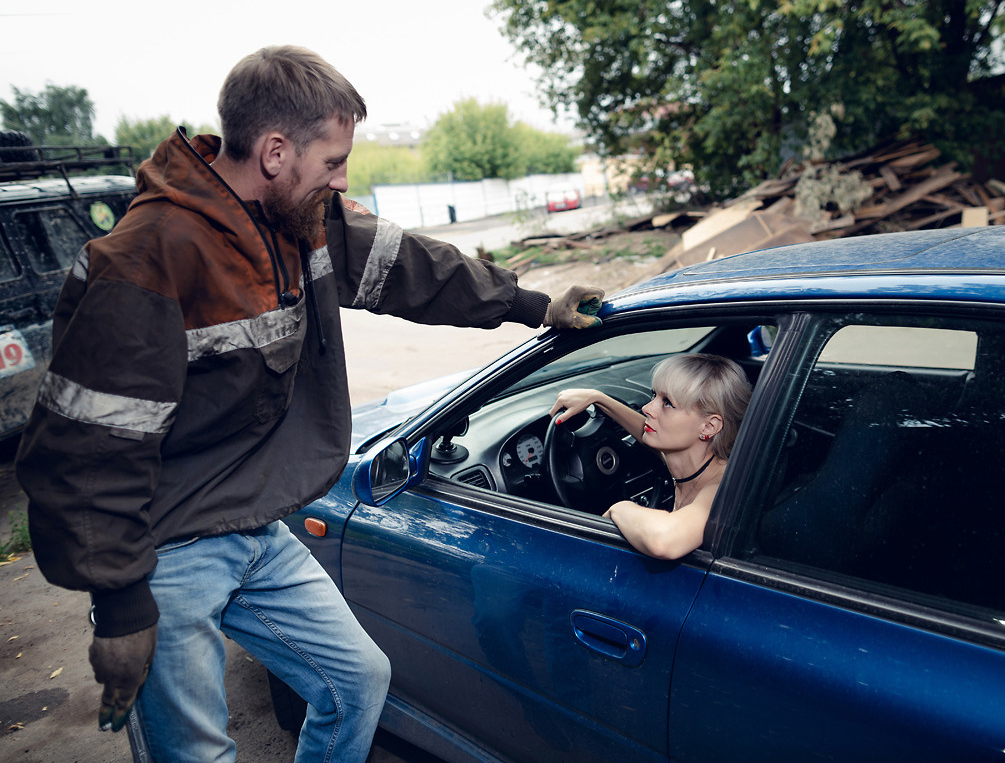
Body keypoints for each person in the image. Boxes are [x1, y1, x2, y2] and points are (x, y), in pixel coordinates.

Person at [15, 45, 603, 763]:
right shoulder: (144, 262)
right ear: (274, 152)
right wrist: (120, 605)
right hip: (164, 551)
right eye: (333, 161)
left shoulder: (303, 220)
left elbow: (415, 268)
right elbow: (86, 454)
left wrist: (535, 305)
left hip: (253, 525)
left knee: (356, 682)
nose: (343, 179)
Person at [549, 353, 751, 560]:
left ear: (709, 426)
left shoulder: (721, 486)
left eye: (668, 403)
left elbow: (665, 541)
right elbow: (646, 432)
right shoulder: (688, 462)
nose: (647, 408)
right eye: (655, 396)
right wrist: (598, 398)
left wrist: (619, 508)